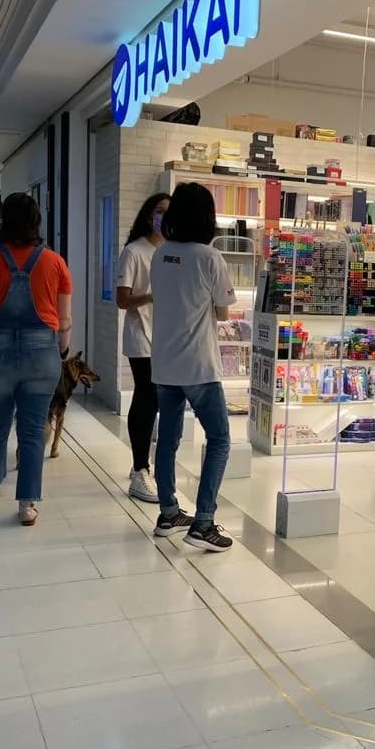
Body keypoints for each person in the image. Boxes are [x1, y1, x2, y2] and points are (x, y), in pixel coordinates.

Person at [0, 192, 72, 527]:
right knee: (33, 429)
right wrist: (61, 350)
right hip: (43, 354)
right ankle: (27, 504)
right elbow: (65, 321)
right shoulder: (55, 262)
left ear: (3, 220)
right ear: (36, 221)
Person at [150, 182, 236, 552]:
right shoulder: (209, 257)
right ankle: (203, 522)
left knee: (167, 441)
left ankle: (168, 511)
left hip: (164, 364)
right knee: (218, 440)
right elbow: (223, 311)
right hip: (199, 366)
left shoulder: (160, 254)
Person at [116, 192, 169, 503]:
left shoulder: (173, 252)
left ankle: (143, 462)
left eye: (169, 212)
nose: (163, 217)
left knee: (158, 400)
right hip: (141, 337)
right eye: (159, 211)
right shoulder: (134, 252)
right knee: (147, 398)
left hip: (167, 338)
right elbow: (123, 300)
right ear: (149, 214)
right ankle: (139, 470)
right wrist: (151, 296)